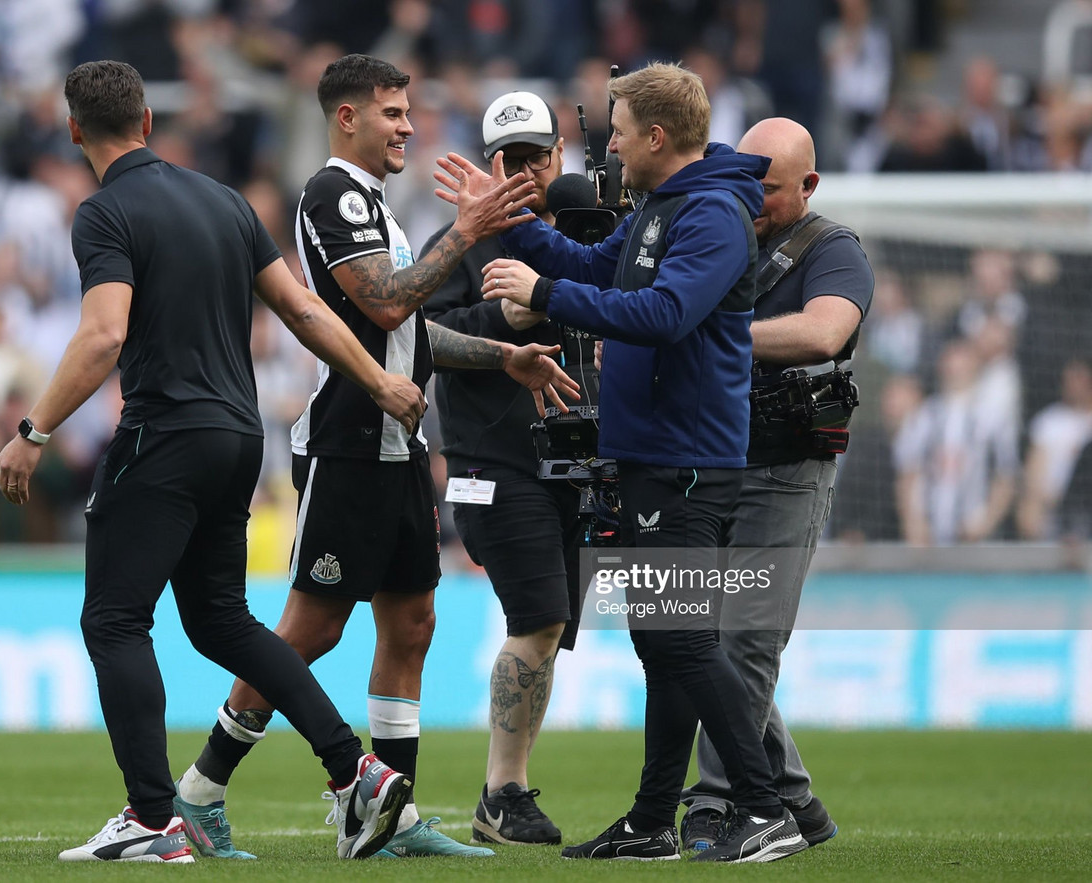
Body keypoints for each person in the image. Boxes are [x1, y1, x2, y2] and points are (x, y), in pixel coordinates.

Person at [0, 59, 426, 864]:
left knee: (115, 619)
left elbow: (102, 335)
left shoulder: (104, 211)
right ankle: (355, 767)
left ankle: (153, 820)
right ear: (150, 123)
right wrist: (380, 381)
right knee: (223, 621)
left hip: (165, 434)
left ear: (75, 130)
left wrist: (34, 429)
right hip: (238, 439)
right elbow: (302, 309)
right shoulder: (224, 201)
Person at [171, 55, 578, 860]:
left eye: (409, 110)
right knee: (310, 630)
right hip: (348, 443)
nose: (408, 126)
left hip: (398, 448)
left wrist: (508, 358)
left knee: (413, 622)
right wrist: (468, 229)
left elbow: (410, 331)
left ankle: (391, 818)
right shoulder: (331, 194)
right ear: (347, 117)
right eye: (392, 112)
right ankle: (198, 793)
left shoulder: (378, 206)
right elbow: (387, 299)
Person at [473, 62, 807, 863]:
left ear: (657, 136)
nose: (611, 144)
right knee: (663, 643)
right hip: (654, 455)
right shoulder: (665, 205)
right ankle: (655, 818)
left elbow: (662, 316)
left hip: (688, 461)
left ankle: (768, 807)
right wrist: (504, 221)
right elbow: (592, 266)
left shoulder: (717, 215)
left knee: (683, 640)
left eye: (619, 129)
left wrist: (540, 292)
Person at [678, 117, 873, 851]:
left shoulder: (834, 250)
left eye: (770, 189)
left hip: (788, 466)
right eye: (745, 183)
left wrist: (701, 328)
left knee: (745, 641)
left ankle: (718, 801)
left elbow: (825, 333)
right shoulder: (714, 232)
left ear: (810, 186)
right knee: (704, 634)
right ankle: (797, 802)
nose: (753, 201)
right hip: (710, 462)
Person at [421, 90, 593, 846]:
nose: (528, 170)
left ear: (560, 155)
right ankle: (503, 790)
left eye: (538, 155)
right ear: (490, 162)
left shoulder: (587, 234)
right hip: (492, 459)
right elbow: (416, 334)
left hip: (577, 458)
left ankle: (509, 787)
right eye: (512, 158)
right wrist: (503, 321)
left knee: (550, 630)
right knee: (539, 619)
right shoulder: (459, 240)